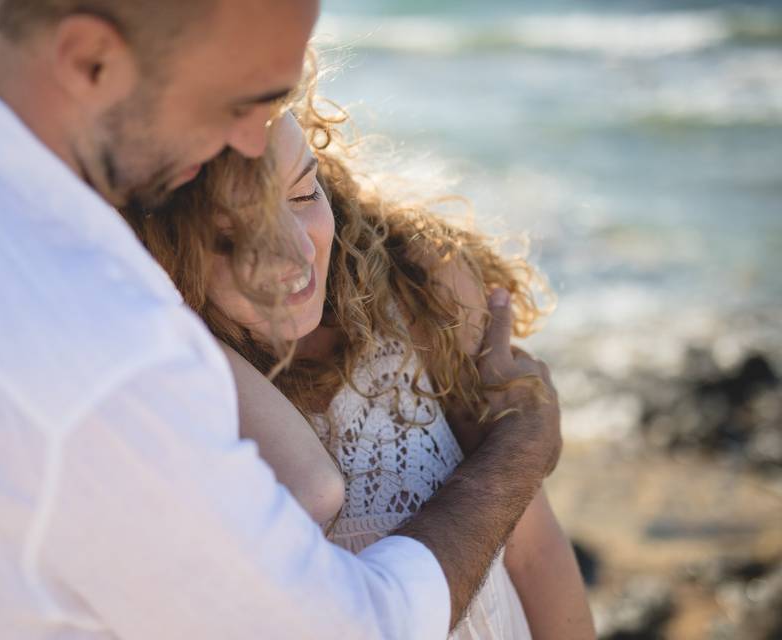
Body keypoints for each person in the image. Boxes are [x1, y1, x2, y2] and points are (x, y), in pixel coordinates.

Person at [0, 1, 561, 637]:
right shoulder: (101, 348)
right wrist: (516, 455)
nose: (251, 142)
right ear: (89, 60)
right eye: (235, 103)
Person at [134, 66, 594, 639]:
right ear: (155, 253)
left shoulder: (421, 287)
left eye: (304, 192)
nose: (299, 253)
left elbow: (532, 546)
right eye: (233, 238)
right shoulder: (156, 375)